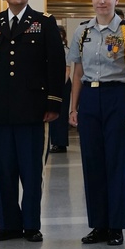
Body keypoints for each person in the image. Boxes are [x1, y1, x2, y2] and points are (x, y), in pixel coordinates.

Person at [0, 0, 65, 242]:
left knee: (30, 169)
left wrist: (54, 102)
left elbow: (56, 64)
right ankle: (8, 225)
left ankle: (31, 224)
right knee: (3, 170)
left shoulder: (44, 22)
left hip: (32, 107)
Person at [68, 0, 125, 246]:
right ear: (91, 0)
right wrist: (73, 107)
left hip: (118, 96)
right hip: (90, 97)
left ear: (117, 0)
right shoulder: (82, 32)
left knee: (117, 163)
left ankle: (116, 226)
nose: (102, 1)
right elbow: (77, 72)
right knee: (92, 163)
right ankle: (98, 225)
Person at [49, 26, 72, 154]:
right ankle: (54, 141)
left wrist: (58, 86)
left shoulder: (65, 50)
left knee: (61, 114)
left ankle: (61, 143)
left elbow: (67, 70)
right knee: (52, 113)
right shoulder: (51, 49)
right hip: (52, 84)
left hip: (62, 84)